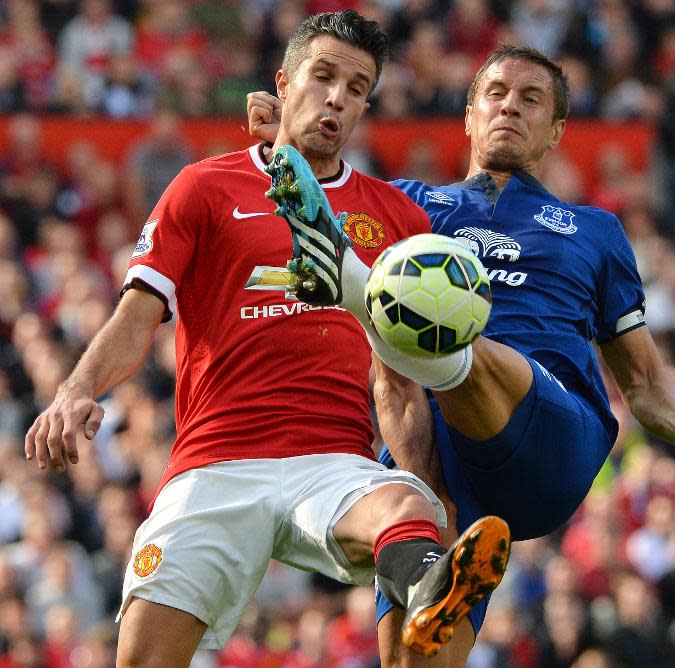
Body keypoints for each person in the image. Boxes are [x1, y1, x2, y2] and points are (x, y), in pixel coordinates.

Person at [24, 11, 511, 668]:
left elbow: (396, 378)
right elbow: (138, 314)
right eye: (323, 75)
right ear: (284, 82)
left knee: (403, 505)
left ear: (367, 103)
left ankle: (428, 579)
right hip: (215, 462)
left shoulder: (398, 219)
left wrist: (430, 494)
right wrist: (76, 389)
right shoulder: (203, 186)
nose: (337, 96)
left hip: (331, 461)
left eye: (358, 86)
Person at [248, 43, 675, 667]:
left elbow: (644, 376)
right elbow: (376, 351)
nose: (510, 107)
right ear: (468, 115)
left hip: (551, 438)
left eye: (530, 99)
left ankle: (388, 306)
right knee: (409, 651)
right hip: (442, 456)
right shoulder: (407, 204)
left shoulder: (595, 230)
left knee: (423, 317)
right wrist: (282, 145)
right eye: (496, 94)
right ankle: (436, 546)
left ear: (556, 132)